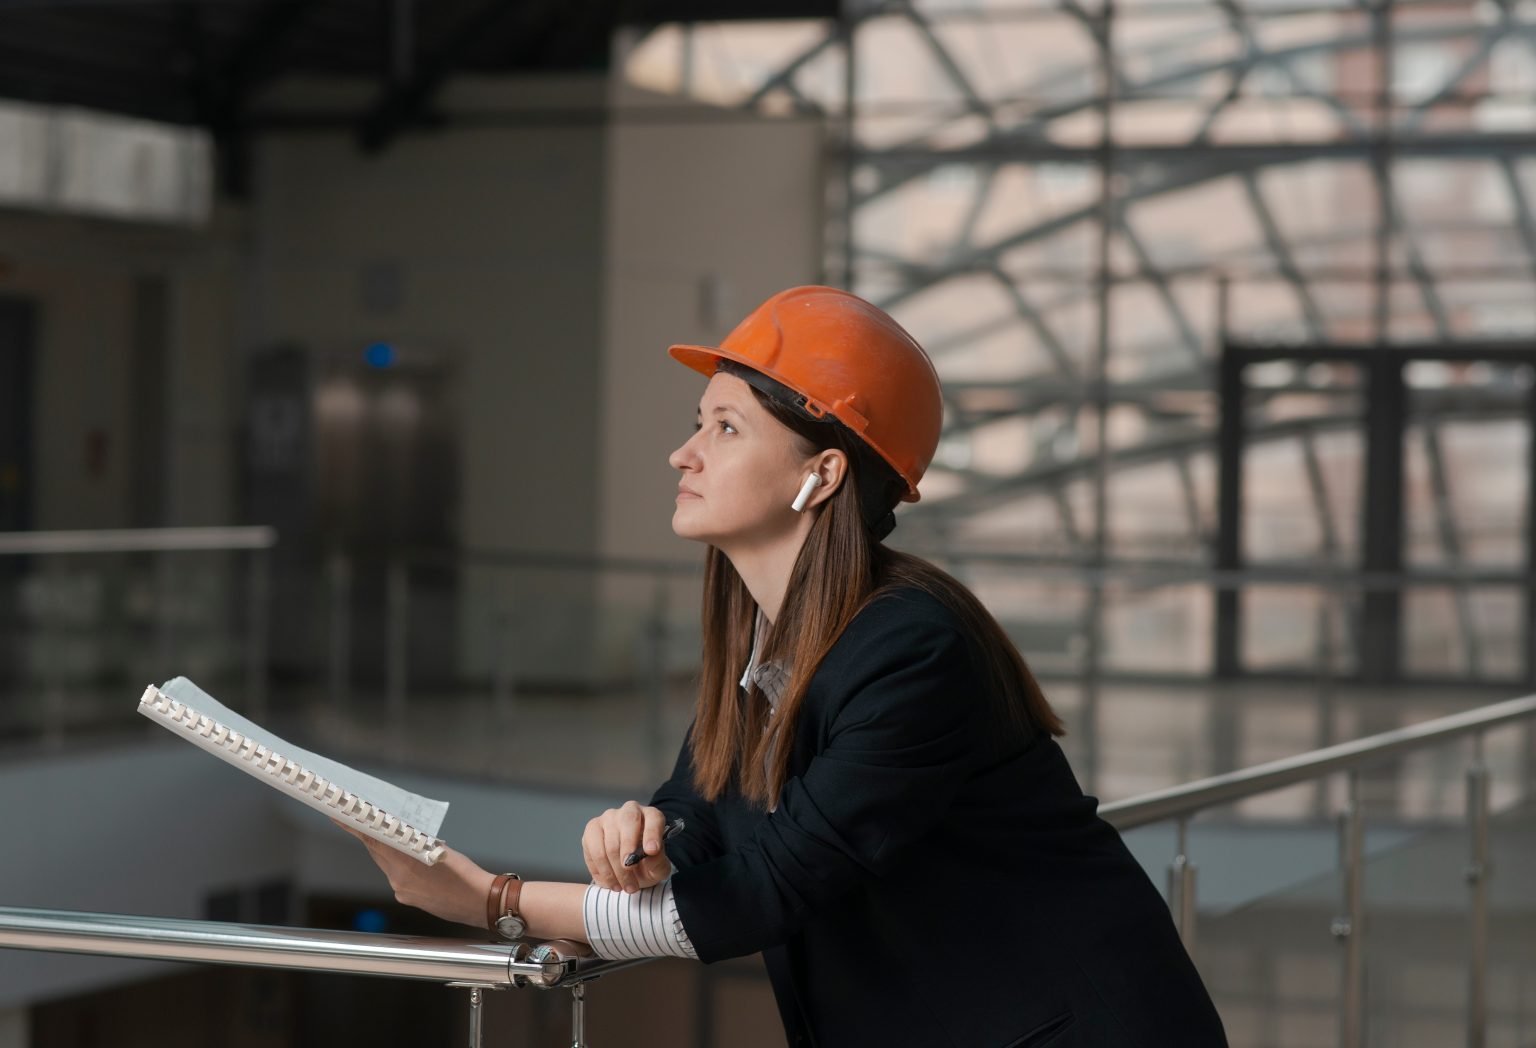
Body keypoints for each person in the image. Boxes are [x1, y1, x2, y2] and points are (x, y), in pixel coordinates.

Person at [345, 286, 1229, 1047]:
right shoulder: (773, 643)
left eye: (725, 427)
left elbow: (764, 892)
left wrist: (493, 899)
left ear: (823, 473)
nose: (683, 454)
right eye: (699, 424)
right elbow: (707, 808)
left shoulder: (910, 649)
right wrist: (647, 835)